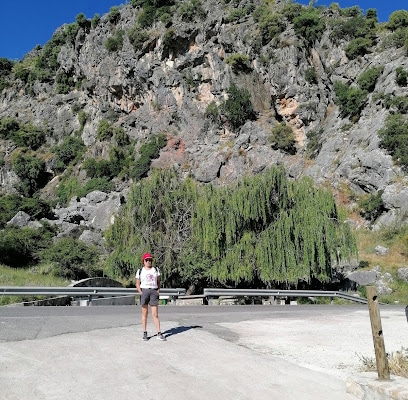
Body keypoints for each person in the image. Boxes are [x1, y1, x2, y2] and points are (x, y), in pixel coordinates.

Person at [136, 253, 166, 341]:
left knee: (155, 314)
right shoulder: (140, 271)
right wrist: (140, 292)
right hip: (144, 290)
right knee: (144, 313)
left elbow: (158, 281)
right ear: (143, 261)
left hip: (153, 291)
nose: (148, 262)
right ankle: (145, 332)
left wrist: (158, 290)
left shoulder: (155, 270)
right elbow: (137, 283)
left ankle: (159, 333)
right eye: (146, 260)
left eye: (150, 260)